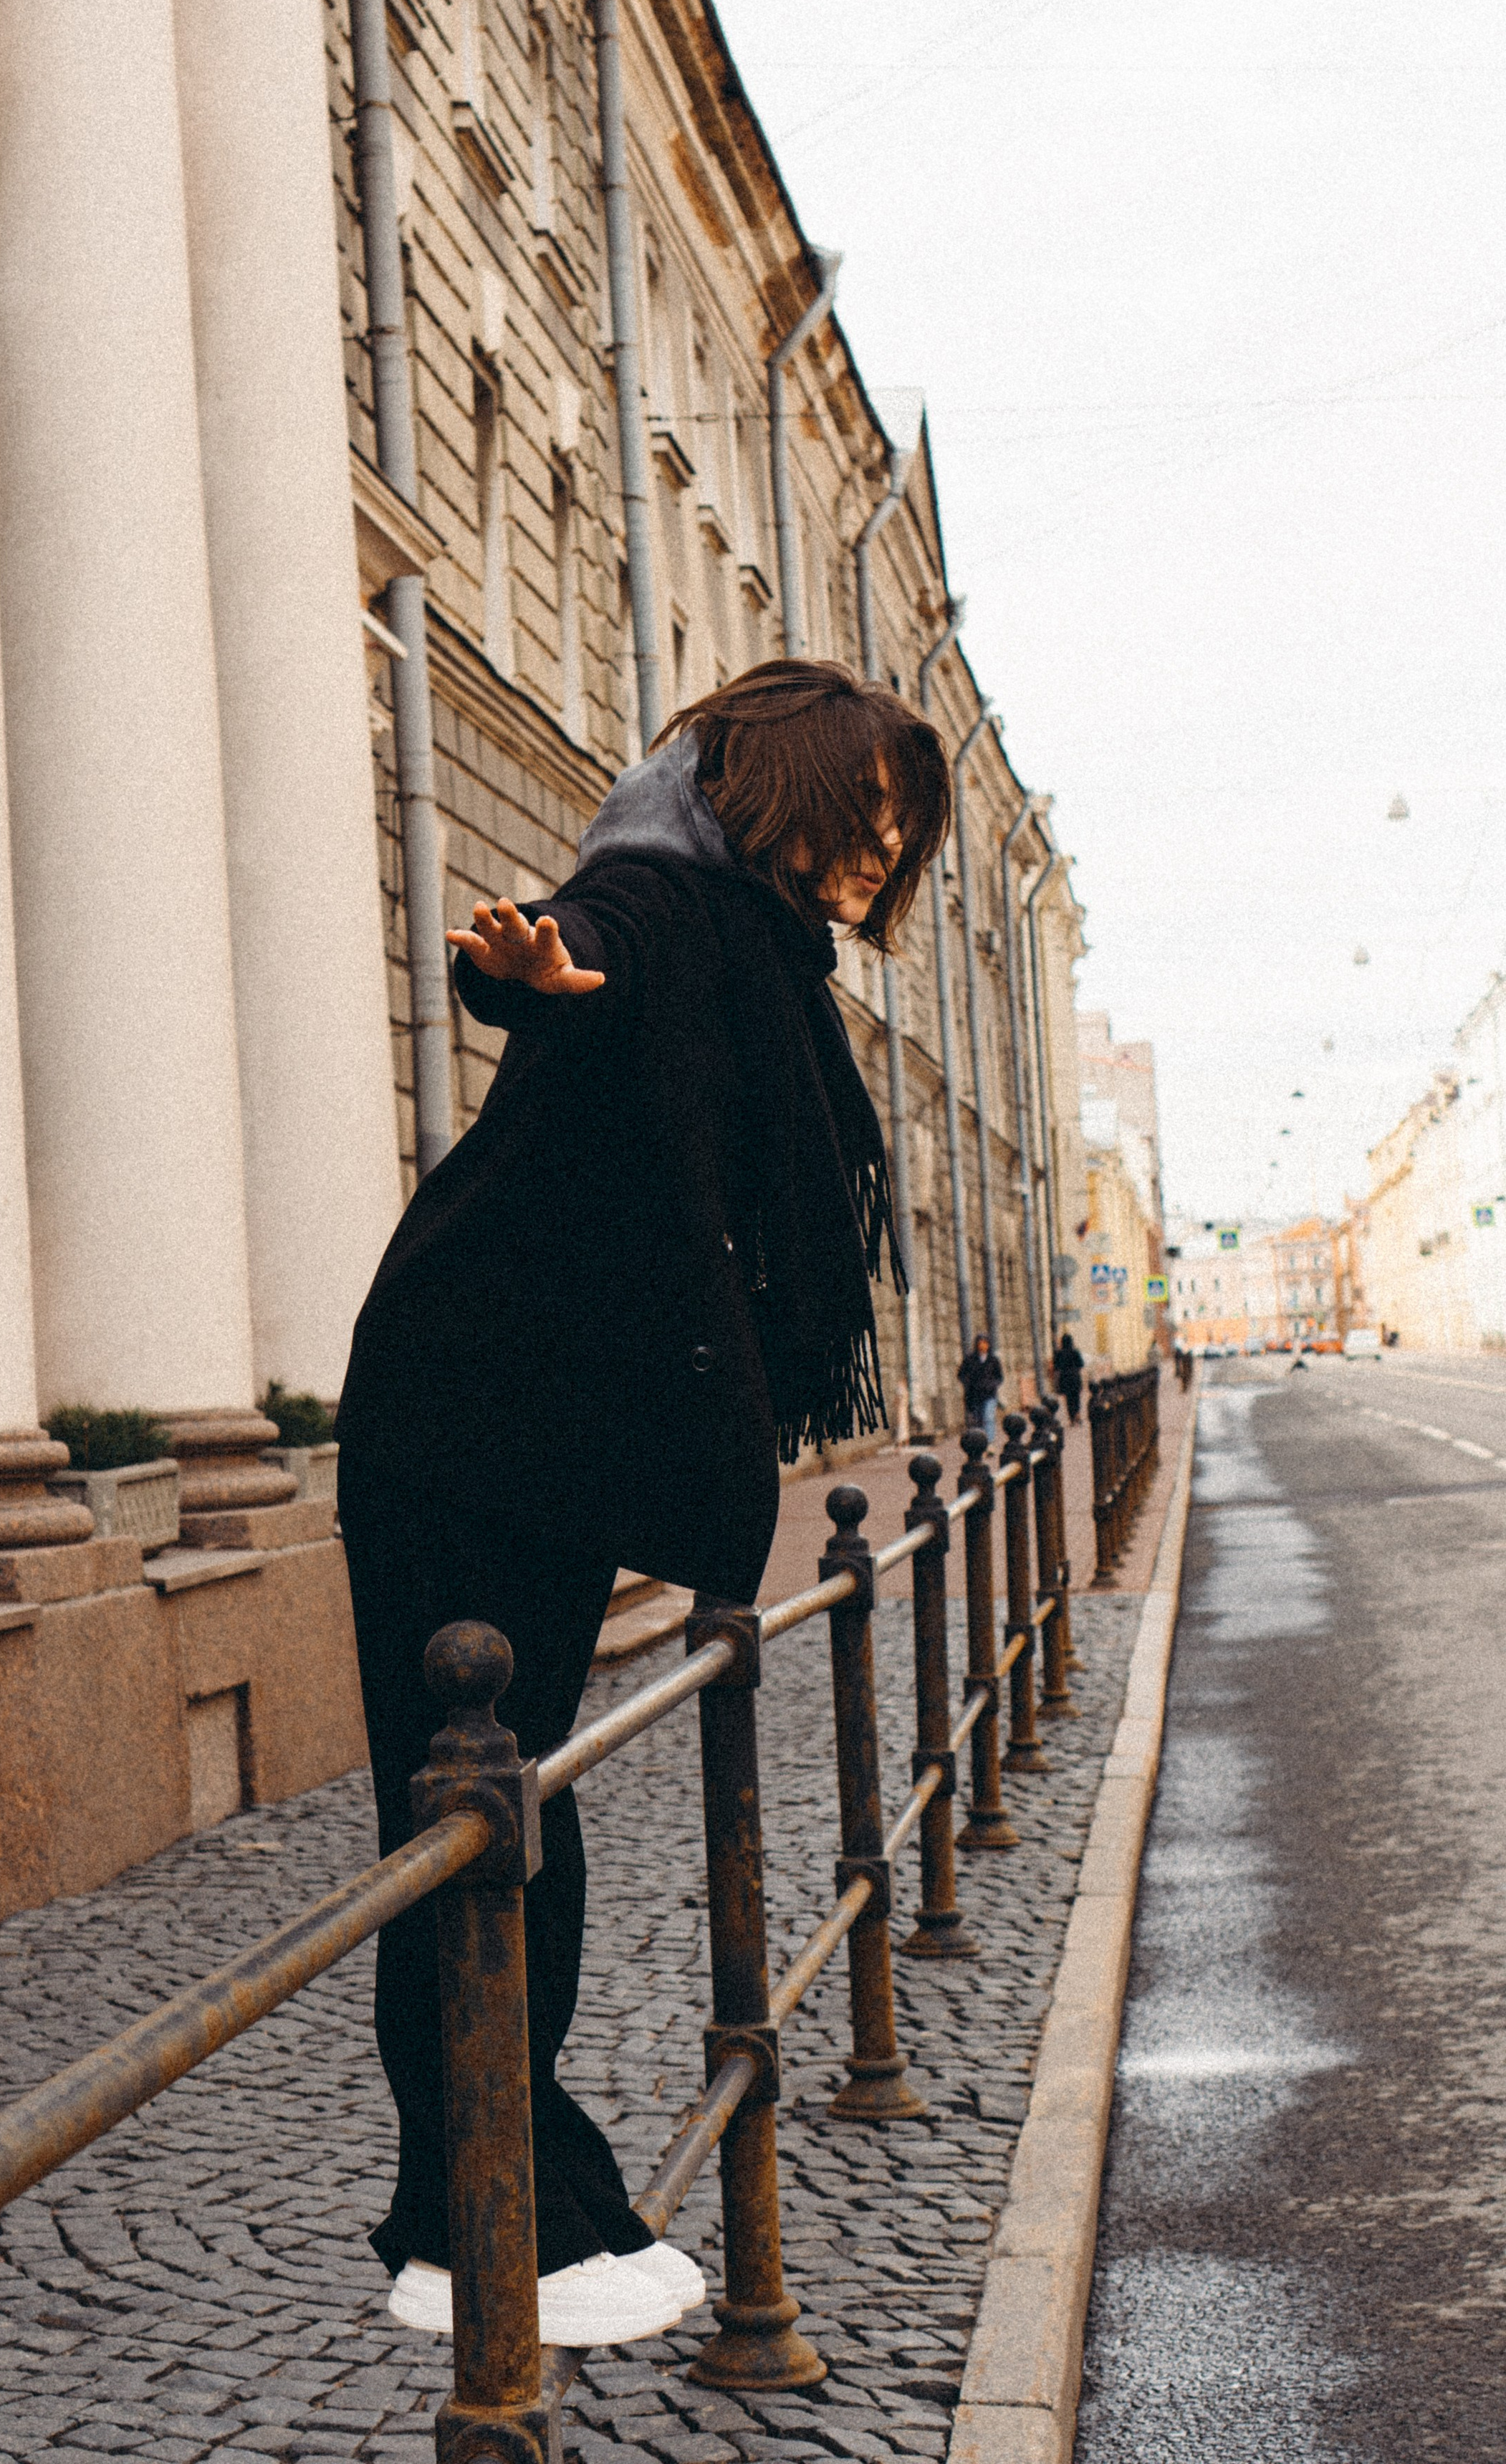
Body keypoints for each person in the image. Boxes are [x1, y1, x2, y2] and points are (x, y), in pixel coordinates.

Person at [337, 660, 950, 2349]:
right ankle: (479, 2214)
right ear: (780, 785)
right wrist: (521, 965)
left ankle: (504, 2188)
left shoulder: (764, 951)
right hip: (457, 1418)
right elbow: (561, 953)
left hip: (524, 1425)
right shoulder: (655, 898)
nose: (880, 851)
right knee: (468, 1820)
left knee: (513, 1811)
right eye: (866, 812)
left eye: (900, 832)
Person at [957, 1332, 1004, 1441]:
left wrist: (993, 1384)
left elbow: (999, 1377)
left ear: (988, 1345)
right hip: (974, 1395)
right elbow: (961, 1374)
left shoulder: (993, 1360)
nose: (982, 1346)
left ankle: (990, 1442)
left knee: (988, 1418)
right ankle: (980, 1442)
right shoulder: (970, 1360)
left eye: (985, 1343)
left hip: (989, 1395)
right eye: (980, 1343)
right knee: (977, 1420)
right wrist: (968, 1383)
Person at [1052, 1329, 1085, 1423]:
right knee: (1076, 1397)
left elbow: (1056, 1367)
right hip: (1075, 1377)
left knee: (1068, 1399)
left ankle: (1071, 1417)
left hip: (1065, 1378)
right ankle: (1077, 1414)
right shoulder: (1075, 1352)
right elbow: (1081, 1364)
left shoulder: (1059, 1353)